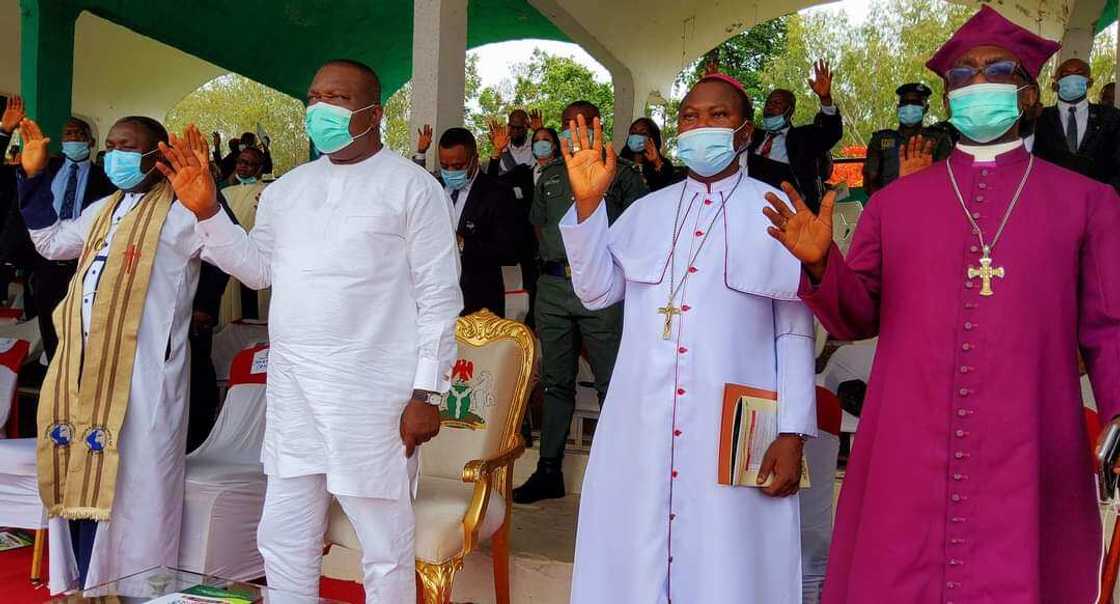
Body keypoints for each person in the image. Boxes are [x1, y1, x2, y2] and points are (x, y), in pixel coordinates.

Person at [763, 6, 1120, 602]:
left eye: (996, 71)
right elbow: (856, 314)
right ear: (947, 97)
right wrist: (823, 264)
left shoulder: (1088, 201)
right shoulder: (895, 205)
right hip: (910, 437)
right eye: (961, 75)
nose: (977, 84)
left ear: (1028, 94)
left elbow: (1110, 326)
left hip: (1031, 437)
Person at [169, 58, 461, 602]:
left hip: (373, 396)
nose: (320, 108)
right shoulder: (285, 191)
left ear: (374, 113)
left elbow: (440, 298)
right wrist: (209, 211)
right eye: (314, 96)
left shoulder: (413, 188)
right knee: (283, 535)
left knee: (384, 544)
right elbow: (259, 270)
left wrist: (428, 391)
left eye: (339, 98)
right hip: (295, 392)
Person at [558, 73, 816, 602]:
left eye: (717, 116)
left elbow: (794, 330)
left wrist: (794, 433)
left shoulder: (774, 210)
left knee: (731, 557)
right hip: (643, 418)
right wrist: (588, 207)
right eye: (690, 116)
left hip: (735, 422)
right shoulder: (648, 209)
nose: (701, 126)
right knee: (632, 552)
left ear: (744, 131)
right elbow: (595, 291)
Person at [17, 115, 227, 594]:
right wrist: (31, 179)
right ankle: (86, 581)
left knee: (137, 489)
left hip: (145, 377)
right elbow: (51, 244)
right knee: (82, 471)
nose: (115, 155)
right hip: (84, 373)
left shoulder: (181, 213)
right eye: (110, 145)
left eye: (127, 146)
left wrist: (210, 197)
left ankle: (137, 588)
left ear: (158, 154)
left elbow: (236, 256)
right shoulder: (103, 210)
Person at [512, 100, 648, 503]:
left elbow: (636, 227)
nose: (575, 131)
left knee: (612, 382)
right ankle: (548, 470)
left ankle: (619, 476)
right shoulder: (551, 174)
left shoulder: (621, 173)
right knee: (555, 382)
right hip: (554, 288)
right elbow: (540, 227)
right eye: (567, 125)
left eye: (583, 124)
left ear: (598, 125)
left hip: (603, 288)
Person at [4, 112, 115, 360]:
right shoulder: (43, 168)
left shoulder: (106, 180)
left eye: (79, 134)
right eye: (68, 134)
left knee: (81, 330)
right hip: (43, 264)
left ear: (91, 142)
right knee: (50, 328)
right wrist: (5, 131)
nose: (73, 138)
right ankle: (54, 381)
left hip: (83, 265)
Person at [436, 126, 519, 317]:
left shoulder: (498, 194)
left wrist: (462, 243)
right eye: (444, 166)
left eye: (458, 166)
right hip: (438, 299)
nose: (450, 172)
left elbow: (510, 252)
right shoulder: (435, 189)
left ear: (474, 158)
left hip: (479, 302)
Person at [748, 61, 843, 213]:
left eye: (777, 103)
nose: (770, 106)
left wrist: (825, 99)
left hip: (792, 210)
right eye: (768, 103)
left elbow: (832, 132)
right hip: (752, 205)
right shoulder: (752, 137)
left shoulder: (803, 138)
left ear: (789, 111)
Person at [1031, 57, 1120, 190]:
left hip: (1098, 198)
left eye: (1079, 74)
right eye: (1065, 75)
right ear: (1055, 84)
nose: (1072, 78)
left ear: (1089, 82)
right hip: (1049, 196)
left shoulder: (1111, 116)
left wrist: (1110, 196)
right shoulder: (1039, 118)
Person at [863, 83, 953, 194]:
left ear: (926, 108)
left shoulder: (938, 139)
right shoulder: (880, 139)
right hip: (889, 203)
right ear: (898, 108)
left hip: (926, 202)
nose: (909, 107)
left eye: (915, 103)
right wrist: (882, 204)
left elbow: (945, 180)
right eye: (905, 103)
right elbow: (870, 178)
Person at [217, 146, 270, 325]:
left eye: (249, 163)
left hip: (256, 256)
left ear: (259, 167)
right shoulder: (225, 192)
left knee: (254, 310)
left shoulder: (268, 192)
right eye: (240, 162)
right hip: (231, 256)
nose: (242, 167)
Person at [618, 117, 679, 191]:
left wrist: (657, 162)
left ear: (652, 138)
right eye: (633, 133)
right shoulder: (620, 163)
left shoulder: (664, 165)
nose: (636, 136)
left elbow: (667, 188)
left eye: (643, 133)